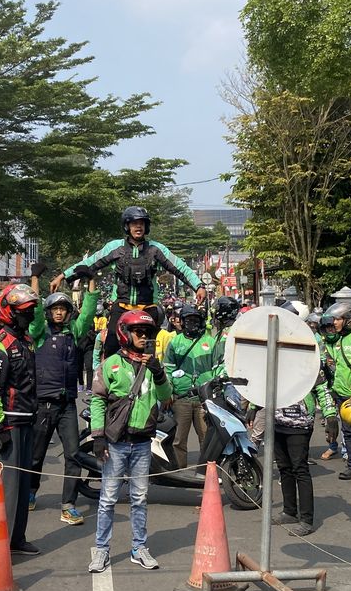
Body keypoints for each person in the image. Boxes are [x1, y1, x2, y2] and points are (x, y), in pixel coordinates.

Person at [52, 206, 204, 359]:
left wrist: (199, 286)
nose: (138, 226)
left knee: (149, 352)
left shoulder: (156, 249)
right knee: (111, 346)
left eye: (142, 223)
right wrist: (63, 276)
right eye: (134, 223)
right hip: (121, 306)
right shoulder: (115, 248)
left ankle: (149, 379)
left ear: (146, 226)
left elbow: (180, 267)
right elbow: (89, 263)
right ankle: (109, 378)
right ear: (127, 226)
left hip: (148, 308)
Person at [87, 310, 172, 573]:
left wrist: (158, 373)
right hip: (115, 442)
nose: (143, 336)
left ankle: (139, 548)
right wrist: (98, 436)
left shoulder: (153, 366)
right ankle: (101, 550)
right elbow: (98, 401)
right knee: (108, 498)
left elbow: (166, 397)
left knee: (139, 497)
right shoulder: (110, 364)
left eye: (147, 333)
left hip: (143, 442)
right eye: (139, 332)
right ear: (125, 333)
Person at [27, 276, 100, 525]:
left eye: (63, 309)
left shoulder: (74, 332)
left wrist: (92, 280)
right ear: (49, 312)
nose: (59, 313)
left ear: (68, 313)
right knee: (35, 455)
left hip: (67, 403)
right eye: (55, 309)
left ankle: (68, 505)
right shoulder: (38, 333)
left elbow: (89, 312)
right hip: (43, 404)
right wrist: (36, 279)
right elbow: (34, 309)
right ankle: (30, 492)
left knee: (74, 455)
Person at [0, 283, 40, 555]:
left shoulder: (26, 341)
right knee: (7, 487)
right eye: (24, 312)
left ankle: (17, 538)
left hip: (28, 420)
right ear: (9, 311)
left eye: (31, 311)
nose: (29, 316)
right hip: (9, 423)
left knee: (23, 485)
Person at [164, 303, 225, 471]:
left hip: (205, 399)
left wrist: (216, 389)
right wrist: (168, 393)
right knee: (179, 439)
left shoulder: (210, 342)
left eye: (195, 320)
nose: (192, 323)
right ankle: (179, 471)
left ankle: (206, 471)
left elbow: (219, 367)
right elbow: (168, 368)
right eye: (189, 320)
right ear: (182, 322)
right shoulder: (175, 342)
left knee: (206, 438)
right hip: (181, 398)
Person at [318, 303, 351, 484]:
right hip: (341, 395)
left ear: (349, 319)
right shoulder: (339, 339)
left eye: (338, 319)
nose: (335, 323)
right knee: (347, 434)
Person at [272, 376, 335, 536]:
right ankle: (289, 512)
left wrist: (331, 416)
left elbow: (322, 389)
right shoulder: (276, 357)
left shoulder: (308, 358)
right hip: (278, 422)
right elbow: (262, 385)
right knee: (284, 468)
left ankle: (306, 520)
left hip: (300, 424)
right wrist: (253, 406)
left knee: (300, 470)